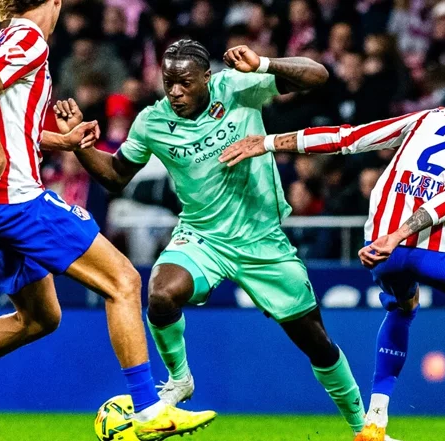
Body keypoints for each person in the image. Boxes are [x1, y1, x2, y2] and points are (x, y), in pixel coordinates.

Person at [0, 2, 215, 441]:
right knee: (123, 281)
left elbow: (12, 122)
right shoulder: (29, 38)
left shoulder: (8, 38)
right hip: (17, 200)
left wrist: (62, 141)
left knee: (39, 318)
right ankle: (148, 411)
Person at [63, 38, 390, 439]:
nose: (175, 91)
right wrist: (79, 146)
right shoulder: (152, 121)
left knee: (317, 344)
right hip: (202, 237)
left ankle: (364, 428)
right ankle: (179, 380)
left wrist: (265, 63)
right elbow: (116, 175)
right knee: (161, 294)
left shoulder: (238, 86)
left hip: (262, 240)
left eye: (185, 82)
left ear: (207, 77)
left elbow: (318, 76)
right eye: (168, 82)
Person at [220, 82, 445, 441]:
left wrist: (268, 142)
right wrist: (399, 235)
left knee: (402, 308)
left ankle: (375, 421)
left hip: (379, 242)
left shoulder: (433, 116)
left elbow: (351, 138)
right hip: (433, 248)